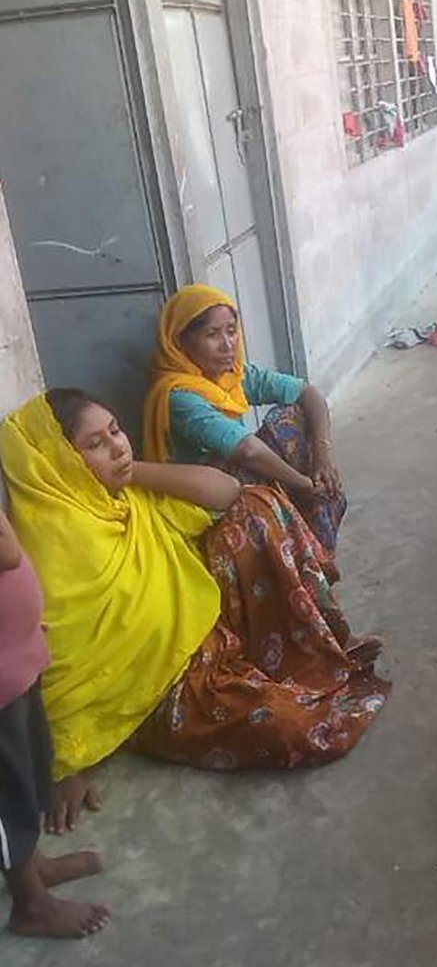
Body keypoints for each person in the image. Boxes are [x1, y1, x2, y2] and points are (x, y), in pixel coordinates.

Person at [0, 390, 388, 834]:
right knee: (297, 727)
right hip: (161, 691)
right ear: (58, 464)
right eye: (95, 444)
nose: (118, 446)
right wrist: (62, 764)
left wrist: (132, 473)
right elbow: (54, 676)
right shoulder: (51, 554)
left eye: (116, 430)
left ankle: (320, 643)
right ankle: (296, 669)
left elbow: (226, 491)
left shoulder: (126, 500)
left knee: (254, 507)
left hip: (207, 635)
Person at [143, 285, 346, 561]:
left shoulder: (230, 376)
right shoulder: (179, 396)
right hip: (204, 500)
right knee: (269, 508)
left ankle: (316, 547)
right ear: (181, 342)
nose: (228, 344)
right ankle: (303, 549)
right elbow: (246, 450)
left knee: (291, 415)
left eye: (231, 330)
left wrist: (323, 456)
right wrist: (302, 484)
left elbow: (308, 394)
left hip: (235, 478)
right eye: (212, 335)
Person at [0, 507, 109, 938]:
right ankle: (30, 903)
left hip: (15, 651)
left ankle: (33, 864)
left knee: (28, 766)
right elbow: (6, 550)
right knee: (5, 792)